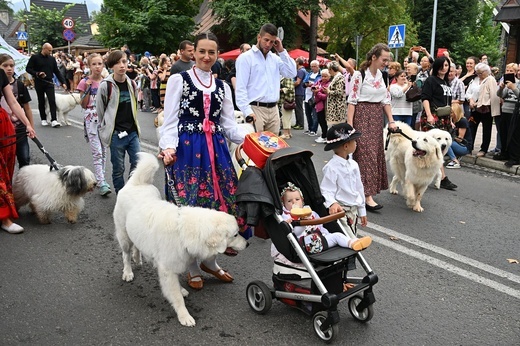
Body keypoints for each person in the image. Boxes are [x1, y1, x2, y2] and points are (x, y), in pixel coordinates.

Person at [159, 32, 250, 290]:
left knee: (218, 208)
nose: (207, 57)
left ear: (217, 54)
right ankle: (191, 266)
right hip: (188, 151)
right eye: (202, 52)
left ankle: (210, 261)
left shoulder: (222, 87)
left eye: (212, 52)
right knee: (191, 209)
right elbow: (170, 120)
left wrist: (253, 140)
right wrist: (168, 148)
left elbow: (229, 125)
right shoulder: (180, 80)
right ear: (192, 53)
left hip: (217, 153)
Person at [347, 43, 397, 211]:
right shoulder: (359, 75)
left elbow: (386, 100)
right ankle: (367, 196)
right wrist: (350, 125)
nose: (386, 63)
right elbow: (352, 101)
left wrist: (391, 121)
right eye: (384, 59)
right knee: (364, 154)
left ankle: (367, 192)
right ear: (373, 57)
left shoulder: (383, 76)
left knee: (374, 154)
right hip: (362, 115)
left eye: (388, 60)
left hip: (376, 118)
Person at [235, 23, 297, 133]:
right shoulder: (245, 58)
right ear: (259, 37)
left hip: (273, 109)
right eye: (266, 40)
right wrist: (247, 111)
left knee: (274, 148)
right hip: (255, 108)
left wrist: (281, 50)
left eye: (272, 42)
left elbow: (291, 73)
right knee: (256, 147)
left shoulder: (275, 59)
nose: (268, 44)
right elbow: (240, 88)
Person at [280, 182, 372, 254]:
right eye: (289, 201)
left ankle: (354, 243)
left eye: (297, 199)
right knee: (334, 237)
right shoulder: (286, 216)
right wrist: (289, 223)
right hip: (304, 244)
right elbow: (292, 233)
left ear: (302, 200)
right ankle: (351, 243)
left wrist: (325, 234)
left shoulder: (309, 212)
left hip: (321, 240)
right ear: (284, 204)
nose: (294, 203)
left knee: (337, 235)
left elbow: (320, 225)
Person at [95, 50, 141, 194]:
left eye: (124, 61)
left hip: (132, 132)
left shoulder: (132, 84)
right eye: (118, 62)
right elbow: (100, 111)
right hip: (116, 134)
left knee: (137, 163)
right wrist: (107, 128)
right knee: (118, 168)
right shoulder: (106, 86)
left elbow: (135, 107)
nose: (122, 65)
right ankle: (121, 194)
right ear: (111, 66)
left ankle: (130, 191)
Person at [0, 68, 36, 234]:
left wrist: (27, 123)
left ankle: (4, 215)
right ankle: (4, 217)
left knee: (4, 171)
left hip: (3, 126)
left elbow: (13, 102)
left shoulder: (0, 74)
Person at [321, 123, 369, 238]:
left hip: (353, 210)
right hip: (341, 211)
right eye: (354, 141)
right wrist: (332, 203)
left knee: (353, 235)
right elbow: (326, 190)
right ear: (346, 146)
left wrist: (362, 210)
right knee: (351, 241)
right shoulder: (331, 168)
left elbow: (359, 187)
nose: (356, 143)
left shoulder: (353, 165)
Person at [77, 53, 112, 196]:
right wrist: (87, 89)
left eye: (100, 64)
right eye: (94, 64)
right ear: (89, 66)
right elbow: (83, 104)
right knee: (97, 151)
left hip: (104, 118)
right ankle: (102, 181)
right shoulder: (84, 82)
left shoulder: (107, 81)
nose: (97, 67)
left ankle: (100, 178)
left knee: (104, 151)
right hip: (91, 119)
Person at [421, 56, 458, 190]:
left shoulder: (447, 82)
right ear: (437, 66)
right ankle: (442, 177)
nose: (444, 68)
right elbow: (425, 98)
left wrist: (451, 120)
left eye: (447, 66)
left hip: (445, 117)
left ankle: (434, 174)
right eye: (442, 65)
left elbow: (447, 103)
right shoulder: (431, 80)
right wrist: (429, 115)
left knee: (440, 149)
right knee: (433, 147)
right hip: (433, 116)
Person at [0, 54, 34, 168]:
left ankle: (14, 184)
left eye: (11, 65)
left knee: (22, 158)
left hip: (14, 127)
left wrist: (29, 125)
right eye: (5, 65)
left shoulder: (16, 83)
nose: (9, 68)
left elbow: (15, 103)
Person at [25, 42, 67, 128]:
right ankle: (43, 119)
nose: (50, 52)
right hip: (39, 81)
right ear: (44, 49)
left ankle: (54, 120)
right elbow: (28, 68)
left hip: (49, 82)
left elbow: (57, 71)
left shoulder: (52, 59)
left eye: (51, 50)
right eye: (49, 50)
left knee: (52, 100)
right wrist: (37, 73)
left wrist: (63, 82)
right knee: (41, 100)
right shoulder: (35, 58)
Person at [467, 63, 500, 158]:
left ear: (486, 72)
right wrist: (471, 100)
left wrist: (480, 103)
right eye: (477, 73)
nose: (478, 75)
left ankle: (483, 149)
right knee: (471, 127)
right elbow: (469, 92)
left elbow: (493, 95)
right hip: (474, 109)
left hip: (486, 109)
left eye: (480, 73)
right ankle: (470, 146)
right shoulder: (475, 79)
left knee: (486, 129)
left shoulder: (490, 79)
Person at [495, 63, 520, 166]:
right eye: (507, 71)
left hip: (515, 112)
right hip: (505, 110)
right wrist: (501, 88)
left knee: (514, 136)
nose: (509, 73)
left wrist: (513, 88)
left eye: (512, 71)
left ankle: (514, 157)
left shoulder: (516, 84)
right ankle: (504, 152)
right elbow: (500, 95)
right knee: (503, 133)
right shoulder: (510, 83)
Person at [446, 103, 473, 169]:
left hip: (464, 146)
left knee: (447, 143)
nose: (450, 114)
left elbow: (460, 139)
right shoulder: (453, 121)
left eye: (452, 113)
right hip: (457, 144)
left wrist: (450, 137)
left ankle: (454, 160)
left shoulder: (462, 121)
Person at [302, 60, 321, 136]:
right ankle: (310, 128)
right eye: (312, 66)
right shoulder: (309, 74)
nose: (313, 68)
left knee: (315, 114)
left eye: (314, 66)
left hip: (315, 97)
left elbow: (319, 84)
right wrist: (307, 84)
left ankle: (314, 130)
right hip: (307, 96)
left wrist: (312, 85)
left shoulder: (320, 75)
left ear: (318, 66)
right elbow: (304, 83)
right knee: (308, 113)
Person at [313, 68, 331, 144]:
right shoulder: (319, 82)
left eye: (325, 76)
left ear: (329, 76)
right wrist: (316, 90)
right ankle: (324, 135)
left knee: (323, 121)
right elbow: (313, 87)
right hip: (317, 105)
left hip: (324, 106)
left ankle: (324, 136)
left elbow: (325, 96)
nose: (323, 78)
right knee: (320, 121)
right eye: (322, 76)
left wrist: (317, 92)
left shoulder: (329, 84)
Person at [292, 57, 306, 131]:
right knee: (297, 108)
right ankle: (298, 123)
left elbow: (297, 82)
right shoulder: (303, 70)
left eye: (295, 61)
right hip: (300, 91)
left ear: (297, 63)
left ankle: (300, 124)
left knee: (298, 108)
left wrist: (291, 86)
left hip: (299, 92)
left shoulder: (300, 71)